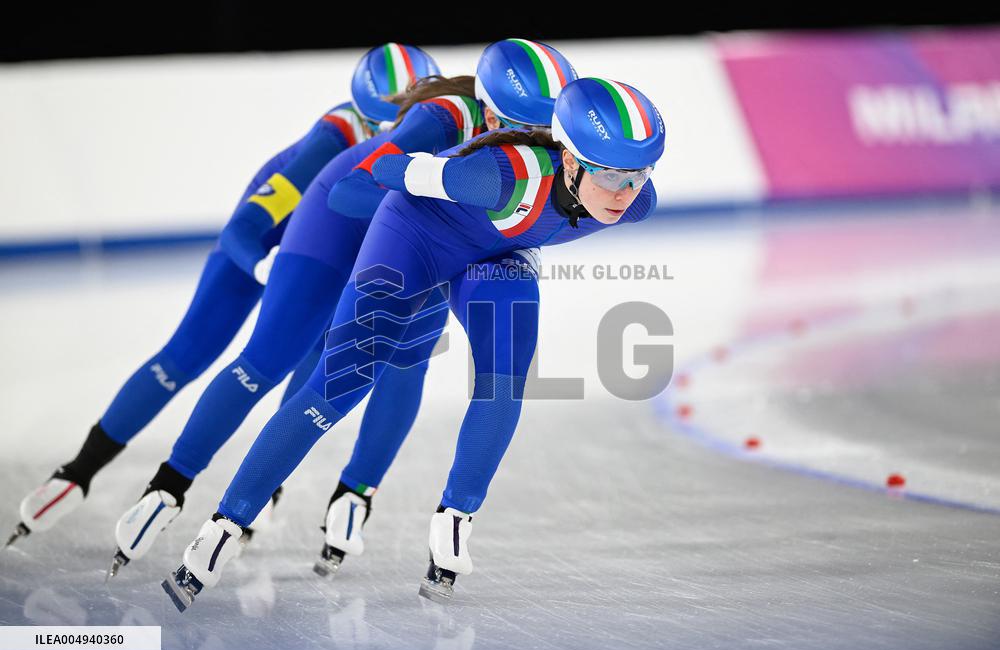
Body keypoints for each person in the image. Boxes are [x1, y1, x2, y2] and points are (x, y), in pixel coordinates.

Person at [162, 76, 664, 608]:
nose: (624, 193)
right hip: (415, 240)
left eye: (638, 175)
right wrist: (422, 163)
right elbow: (385, 170)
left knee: (507, 373)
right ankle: (223, 525)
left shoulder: (637, 202)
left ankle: (455, 519)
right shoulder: (495, 175)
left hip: (495, 257)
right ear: (569, 161)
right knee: (338, 387)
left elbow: (592, 202)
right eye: (610, 175)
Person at [110, 39, 576, 579]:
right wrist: (441, 203)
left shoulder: (552, 145)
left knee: (406, 362)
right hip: (342, 223)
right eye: (521, 127)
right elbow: (352, 191)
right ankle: (170, 485)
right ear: (489, 111)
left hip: (440, 236)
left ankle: (355, 494)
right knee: (271, 358)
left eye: (548, 133)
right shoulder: (441, 117)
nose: (534, 142)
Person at [6, 43, 441, 549]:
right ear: (364, 121)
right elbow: (247, 227)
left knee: (326, 352)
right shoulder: (331, 140)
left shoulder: (428, 129)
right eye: (382, 130)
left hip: (332, 245)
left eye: (407, 128)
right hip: (270, 243)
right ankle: (80, 470)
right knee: (189, 354)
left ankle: (278, 483)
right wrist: (261, 265)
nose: (395, 140)